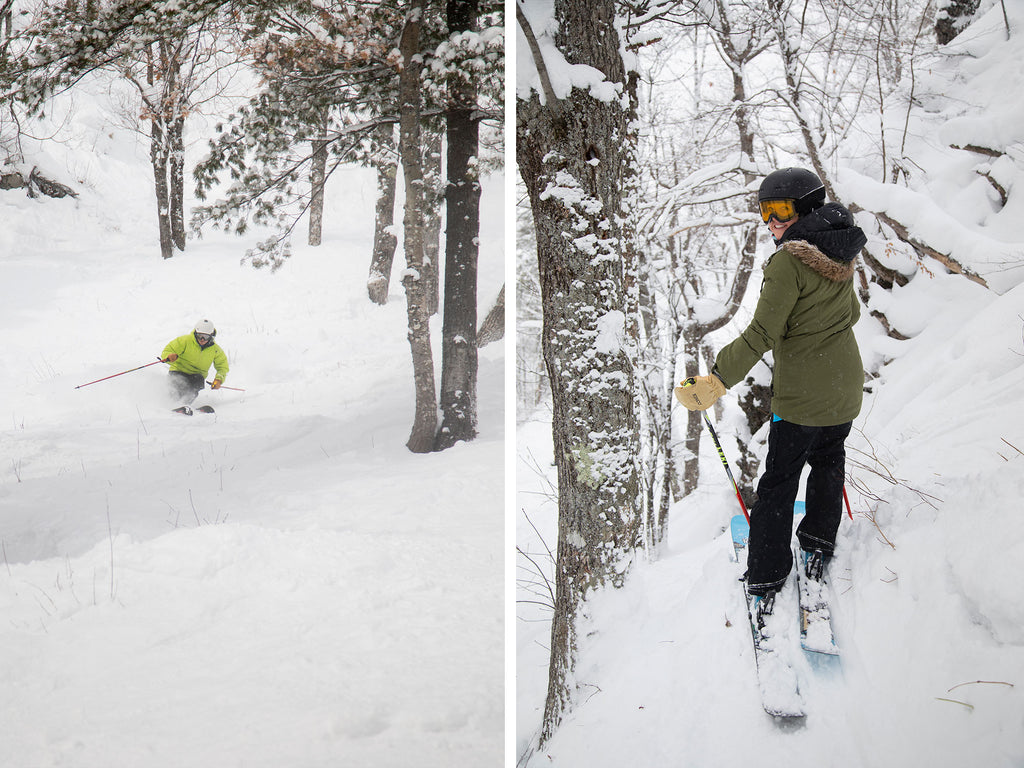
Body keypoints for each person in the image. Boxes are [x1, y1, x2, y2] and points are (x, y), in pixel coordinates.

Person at [674, 167, 866, 615]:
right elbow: (852, 313)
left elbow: (762, 332)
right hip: (845, 387)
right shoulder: (841, 247)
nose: (771, 222)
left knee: (779, 482)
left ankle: (766, 574)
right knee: (829, 462)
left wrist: (715, 381)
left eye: (779, 210)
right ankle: (818, 544)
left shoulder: (788, 260)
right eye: (764, 211)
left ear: (805, 209)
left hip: (802, 398)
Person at [161, 319, 229, 411]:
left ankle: (185, 405)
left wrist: (219, 380)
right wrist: (169, 357)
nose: (202, 339)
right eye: (199, 336)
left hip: (197, 376)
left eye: (205, 337)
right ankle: (172, 405)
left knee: (196, 384)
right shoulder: (185, 341)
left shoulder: (215, 350)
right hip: (178, 370)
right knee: (178, 384)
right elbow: (168, 351)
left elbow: (222, 367)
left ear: (211, 336)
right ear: (195, 333)